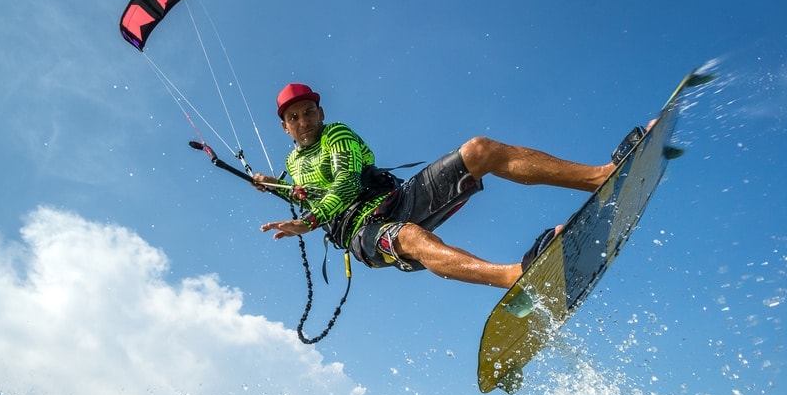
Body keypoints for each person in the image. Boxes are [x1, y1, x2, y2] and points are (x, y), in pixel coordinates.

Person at [253, 83, 641, 289]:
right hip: (363, 232)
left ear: (321, 112)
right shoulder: (292, 164)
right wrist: (275, 186)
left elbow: (344, 182)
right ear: (284, 127)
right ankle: (512, 277)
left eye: (308, 112)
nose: (303, 120)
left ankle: (598, 176)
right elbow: (309, 193)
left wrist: (309, 220)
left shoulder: (336, 134)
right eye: (294, 117)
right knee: (411, 238)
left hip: (397, 199)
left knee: (480, 150)